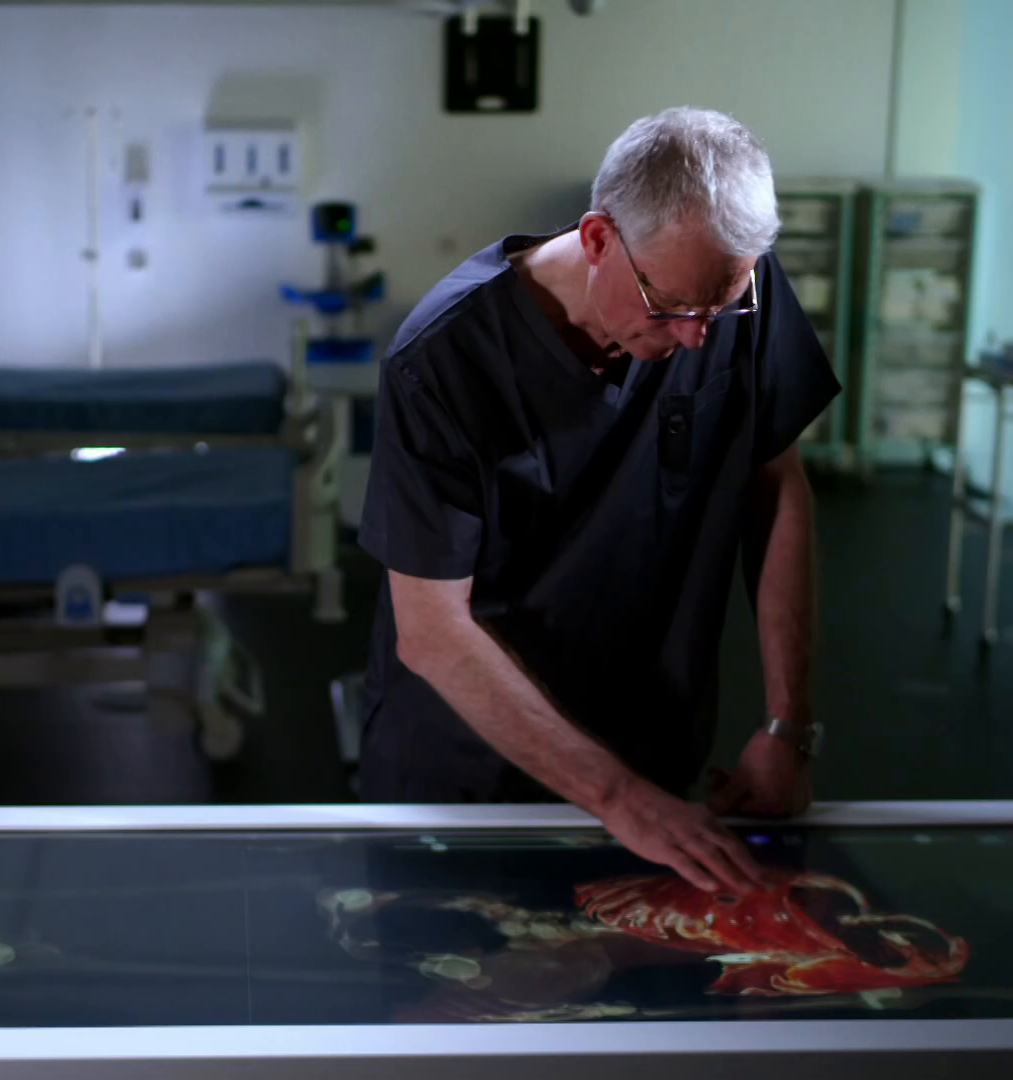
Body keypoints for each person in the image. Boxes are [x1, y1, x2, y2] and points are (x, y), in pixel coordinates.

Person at [357, 107, 839, 895]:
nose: (697, 338)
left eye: (721, 310)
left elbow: (777, 484)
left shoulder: (725, 286)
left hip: (651, 751)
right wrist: (617, 799)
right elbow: (432, 632)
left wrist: (789, 725)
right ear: (597, 239)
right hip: (471, 774)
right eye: (671, 307)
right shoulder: (443, 361)